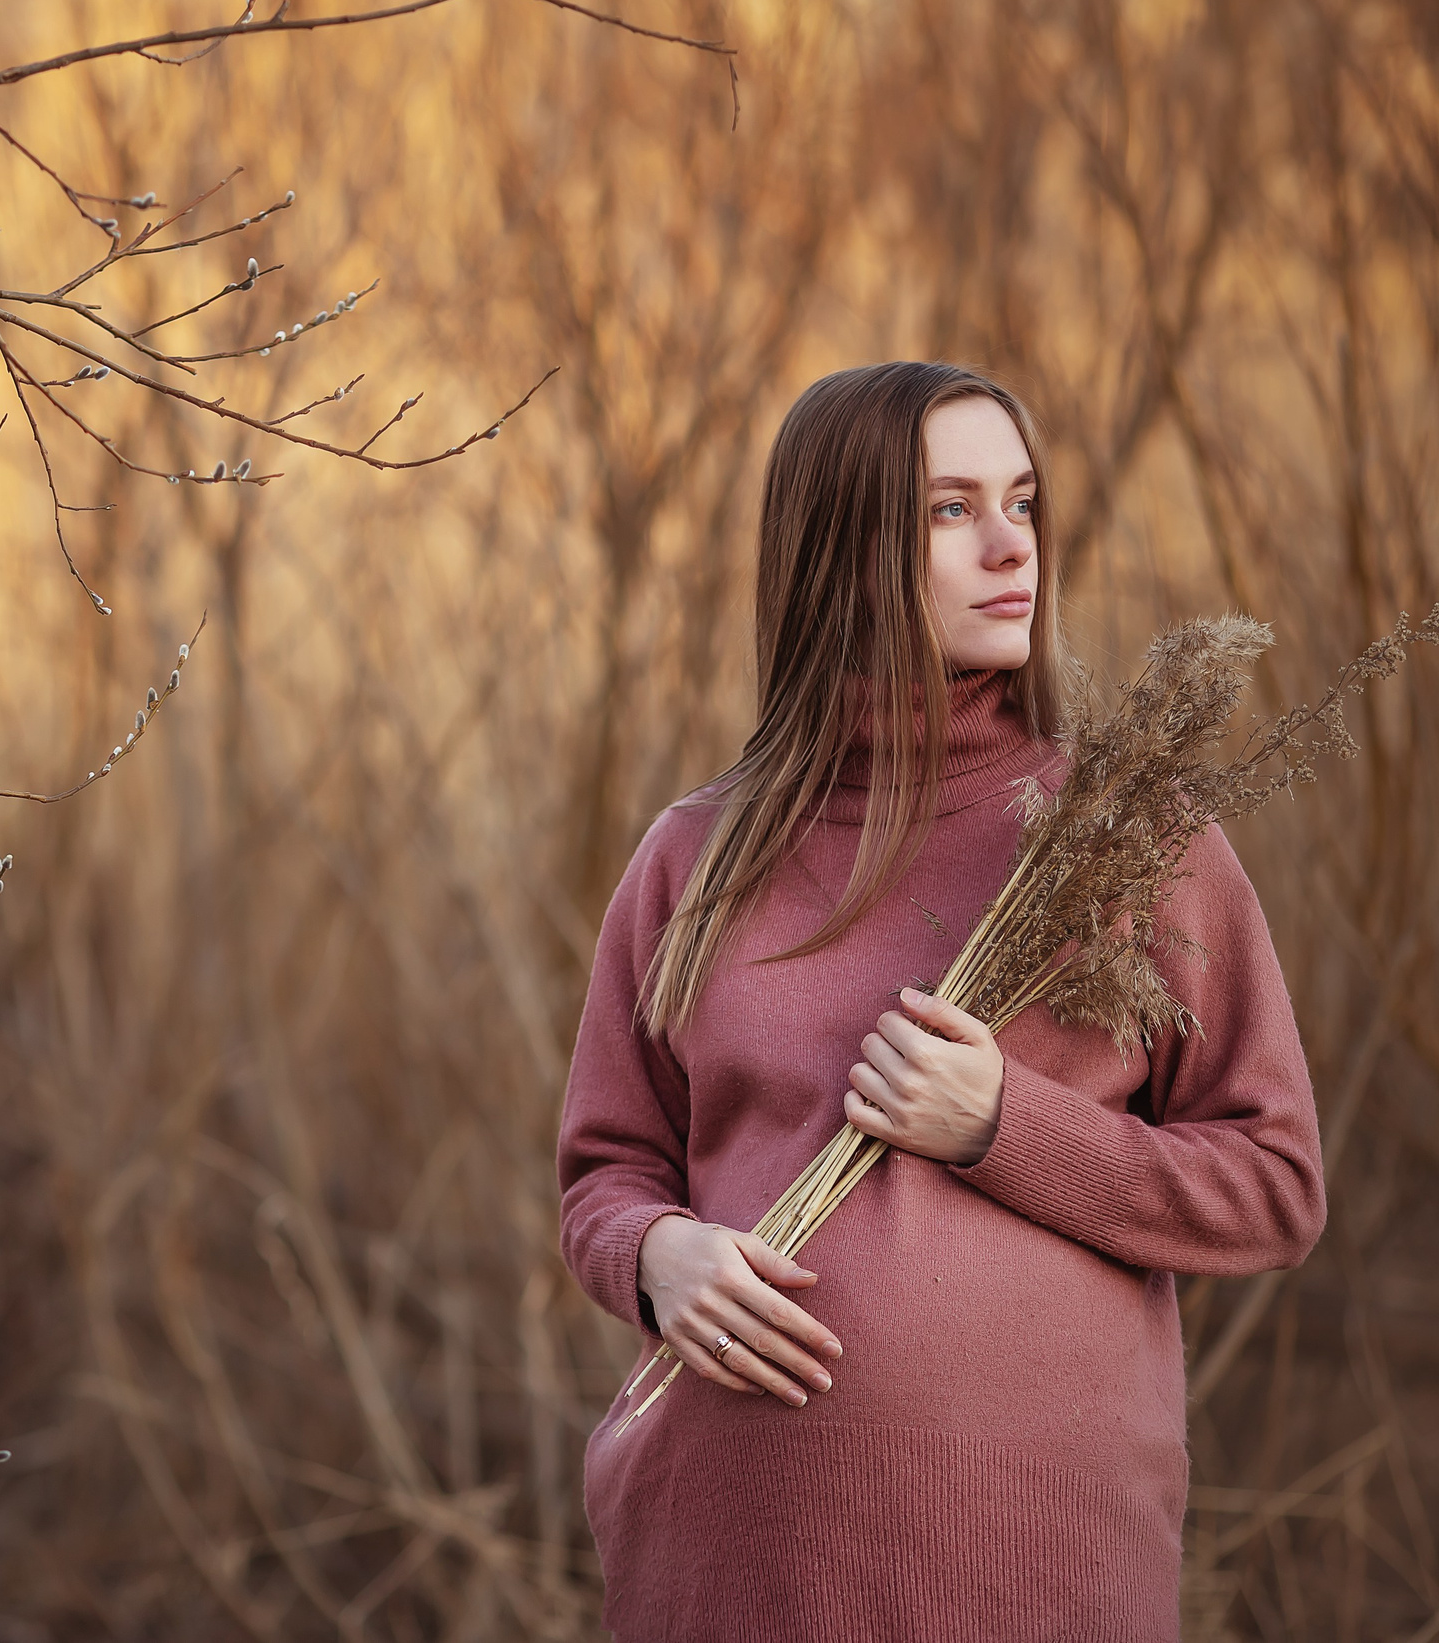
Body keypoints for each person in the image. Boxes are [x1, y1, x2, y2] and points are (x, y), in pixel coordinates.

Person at [555, 362, 1326, 1641]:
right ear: (842, 550)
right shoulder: (698, 857)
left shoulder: (1118, 839)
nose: (1010, 544)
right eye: (950, 511)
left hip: (1035, 1562)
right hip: (734, 1553)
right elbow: (604, 1171)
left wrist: (1000, 1126)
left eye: (1022, 500)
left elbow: (1275, 1183)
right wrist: (656, 1259)